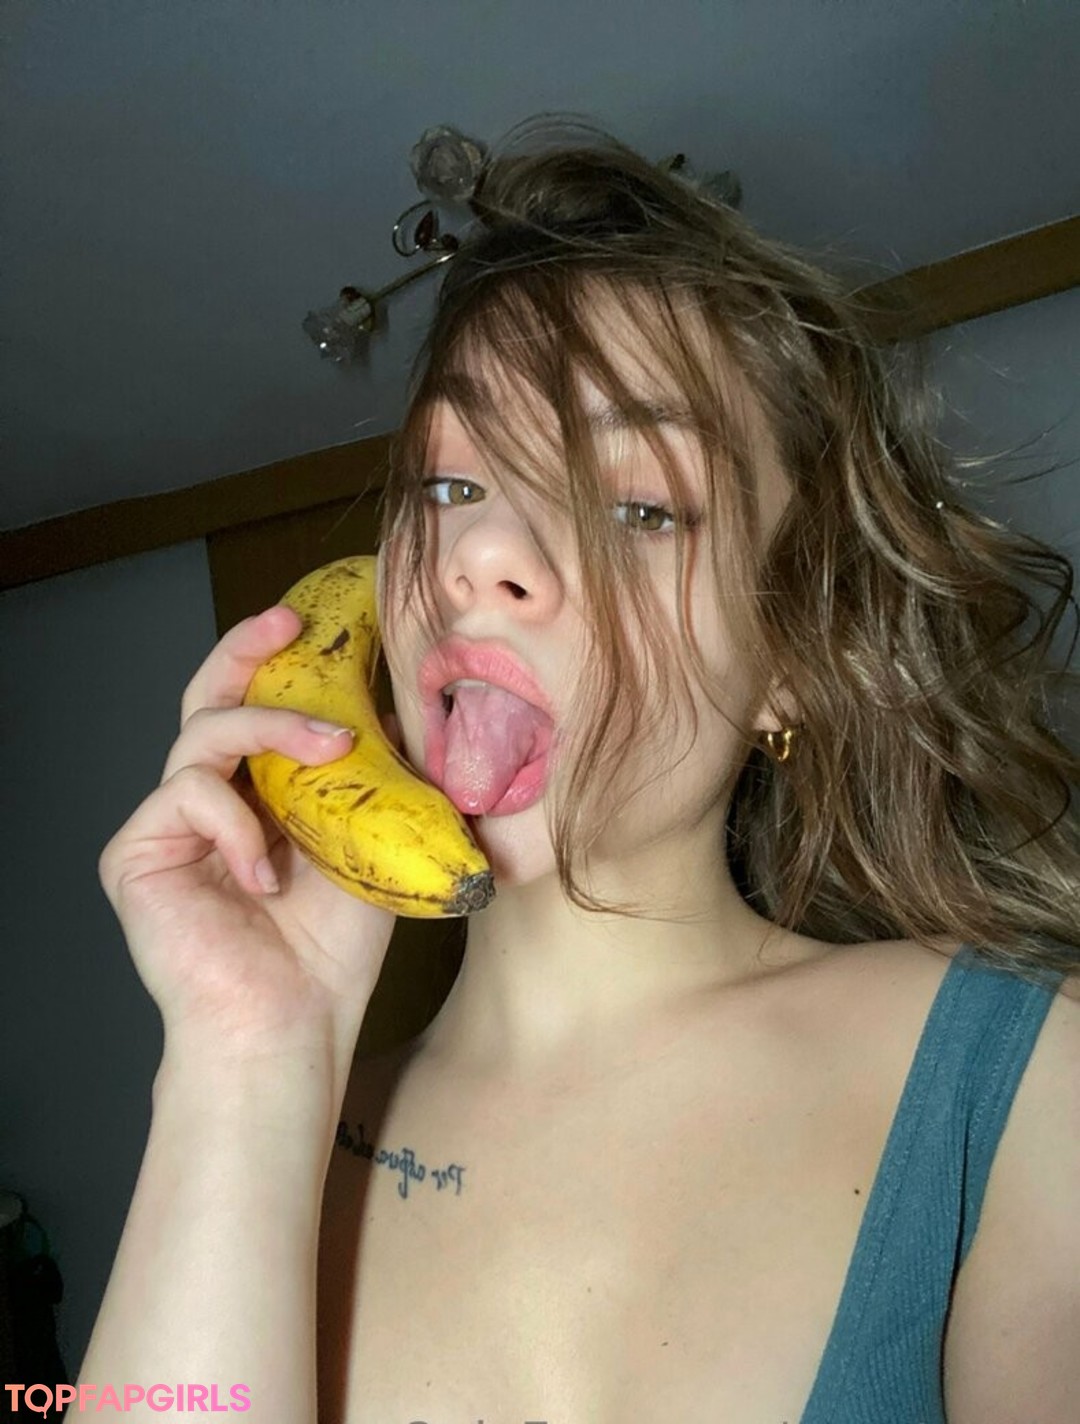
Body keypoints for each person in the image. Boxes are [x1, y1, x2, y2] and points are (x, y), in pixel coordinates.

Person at [85, 118, 1078, 1422]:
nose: (481, 553)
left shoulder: (1026, 1081)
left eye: (640, 506)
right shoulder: (268, 1142)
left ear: (793, 656)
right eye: (451, 485)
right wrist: (242, 1063)